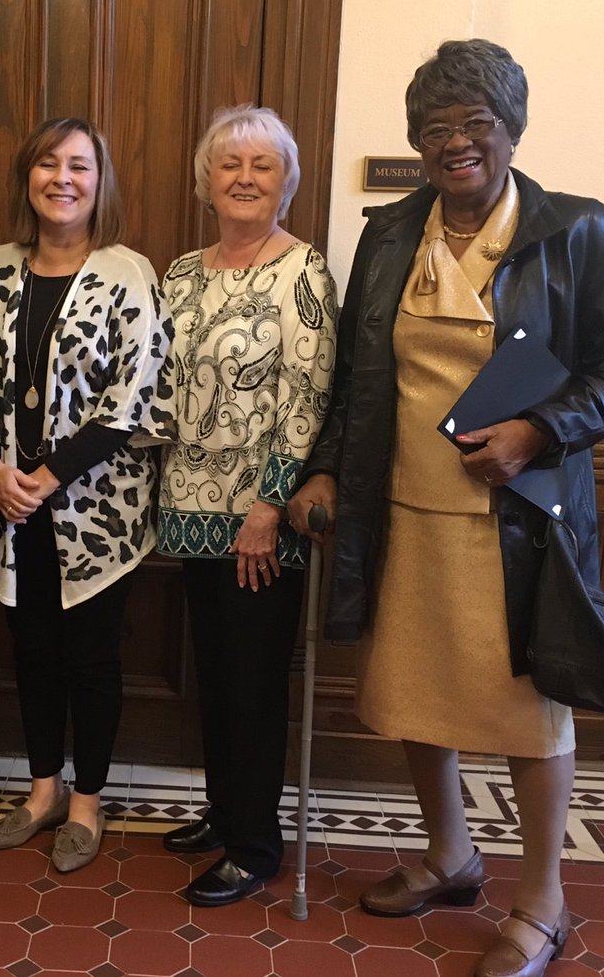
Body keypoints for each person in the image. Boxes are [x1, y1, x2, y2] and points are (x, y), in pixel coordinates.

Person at [289, 39, 604, 977]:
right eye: (435, 128)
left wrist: (539, 428)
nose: (455, 143)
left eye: (475, 124)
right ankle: (452, 856)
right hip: (403, 509)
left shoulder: (578, 232)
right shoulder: (388, 234)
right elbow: (356, 379)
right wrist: (327, 469)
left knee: (531, 715)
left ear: (511, 131)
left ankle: (543, 899)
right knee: (414, 695)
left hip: (520, 520)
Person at [0, 117, 173, 873]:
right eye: (48, 164)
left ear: (100, 183)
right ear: (28, 177)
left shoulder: (129, 272)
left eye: (80, 167)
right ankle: (41, 792)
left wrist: (51, 474)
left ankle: (87, 801)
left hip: (97, 510)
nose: (63, 178)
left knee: (90, 659)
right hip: (9, 504)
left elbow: (135, 397)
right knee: (30, 653)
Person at [154, 104, 338, 907]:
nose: (244, 178)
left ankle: (257, 847)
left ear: (286, 182)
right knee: (216, 678)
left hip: (259, 520)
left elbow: (309, 397)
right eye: (230, 164)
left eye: (262, 166)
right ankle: (226, 812)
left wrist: (269, 506)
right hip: (187, 509)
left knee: (254, 684)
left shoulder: (304, 271)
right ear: (207, 180)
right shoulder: (183, 272)